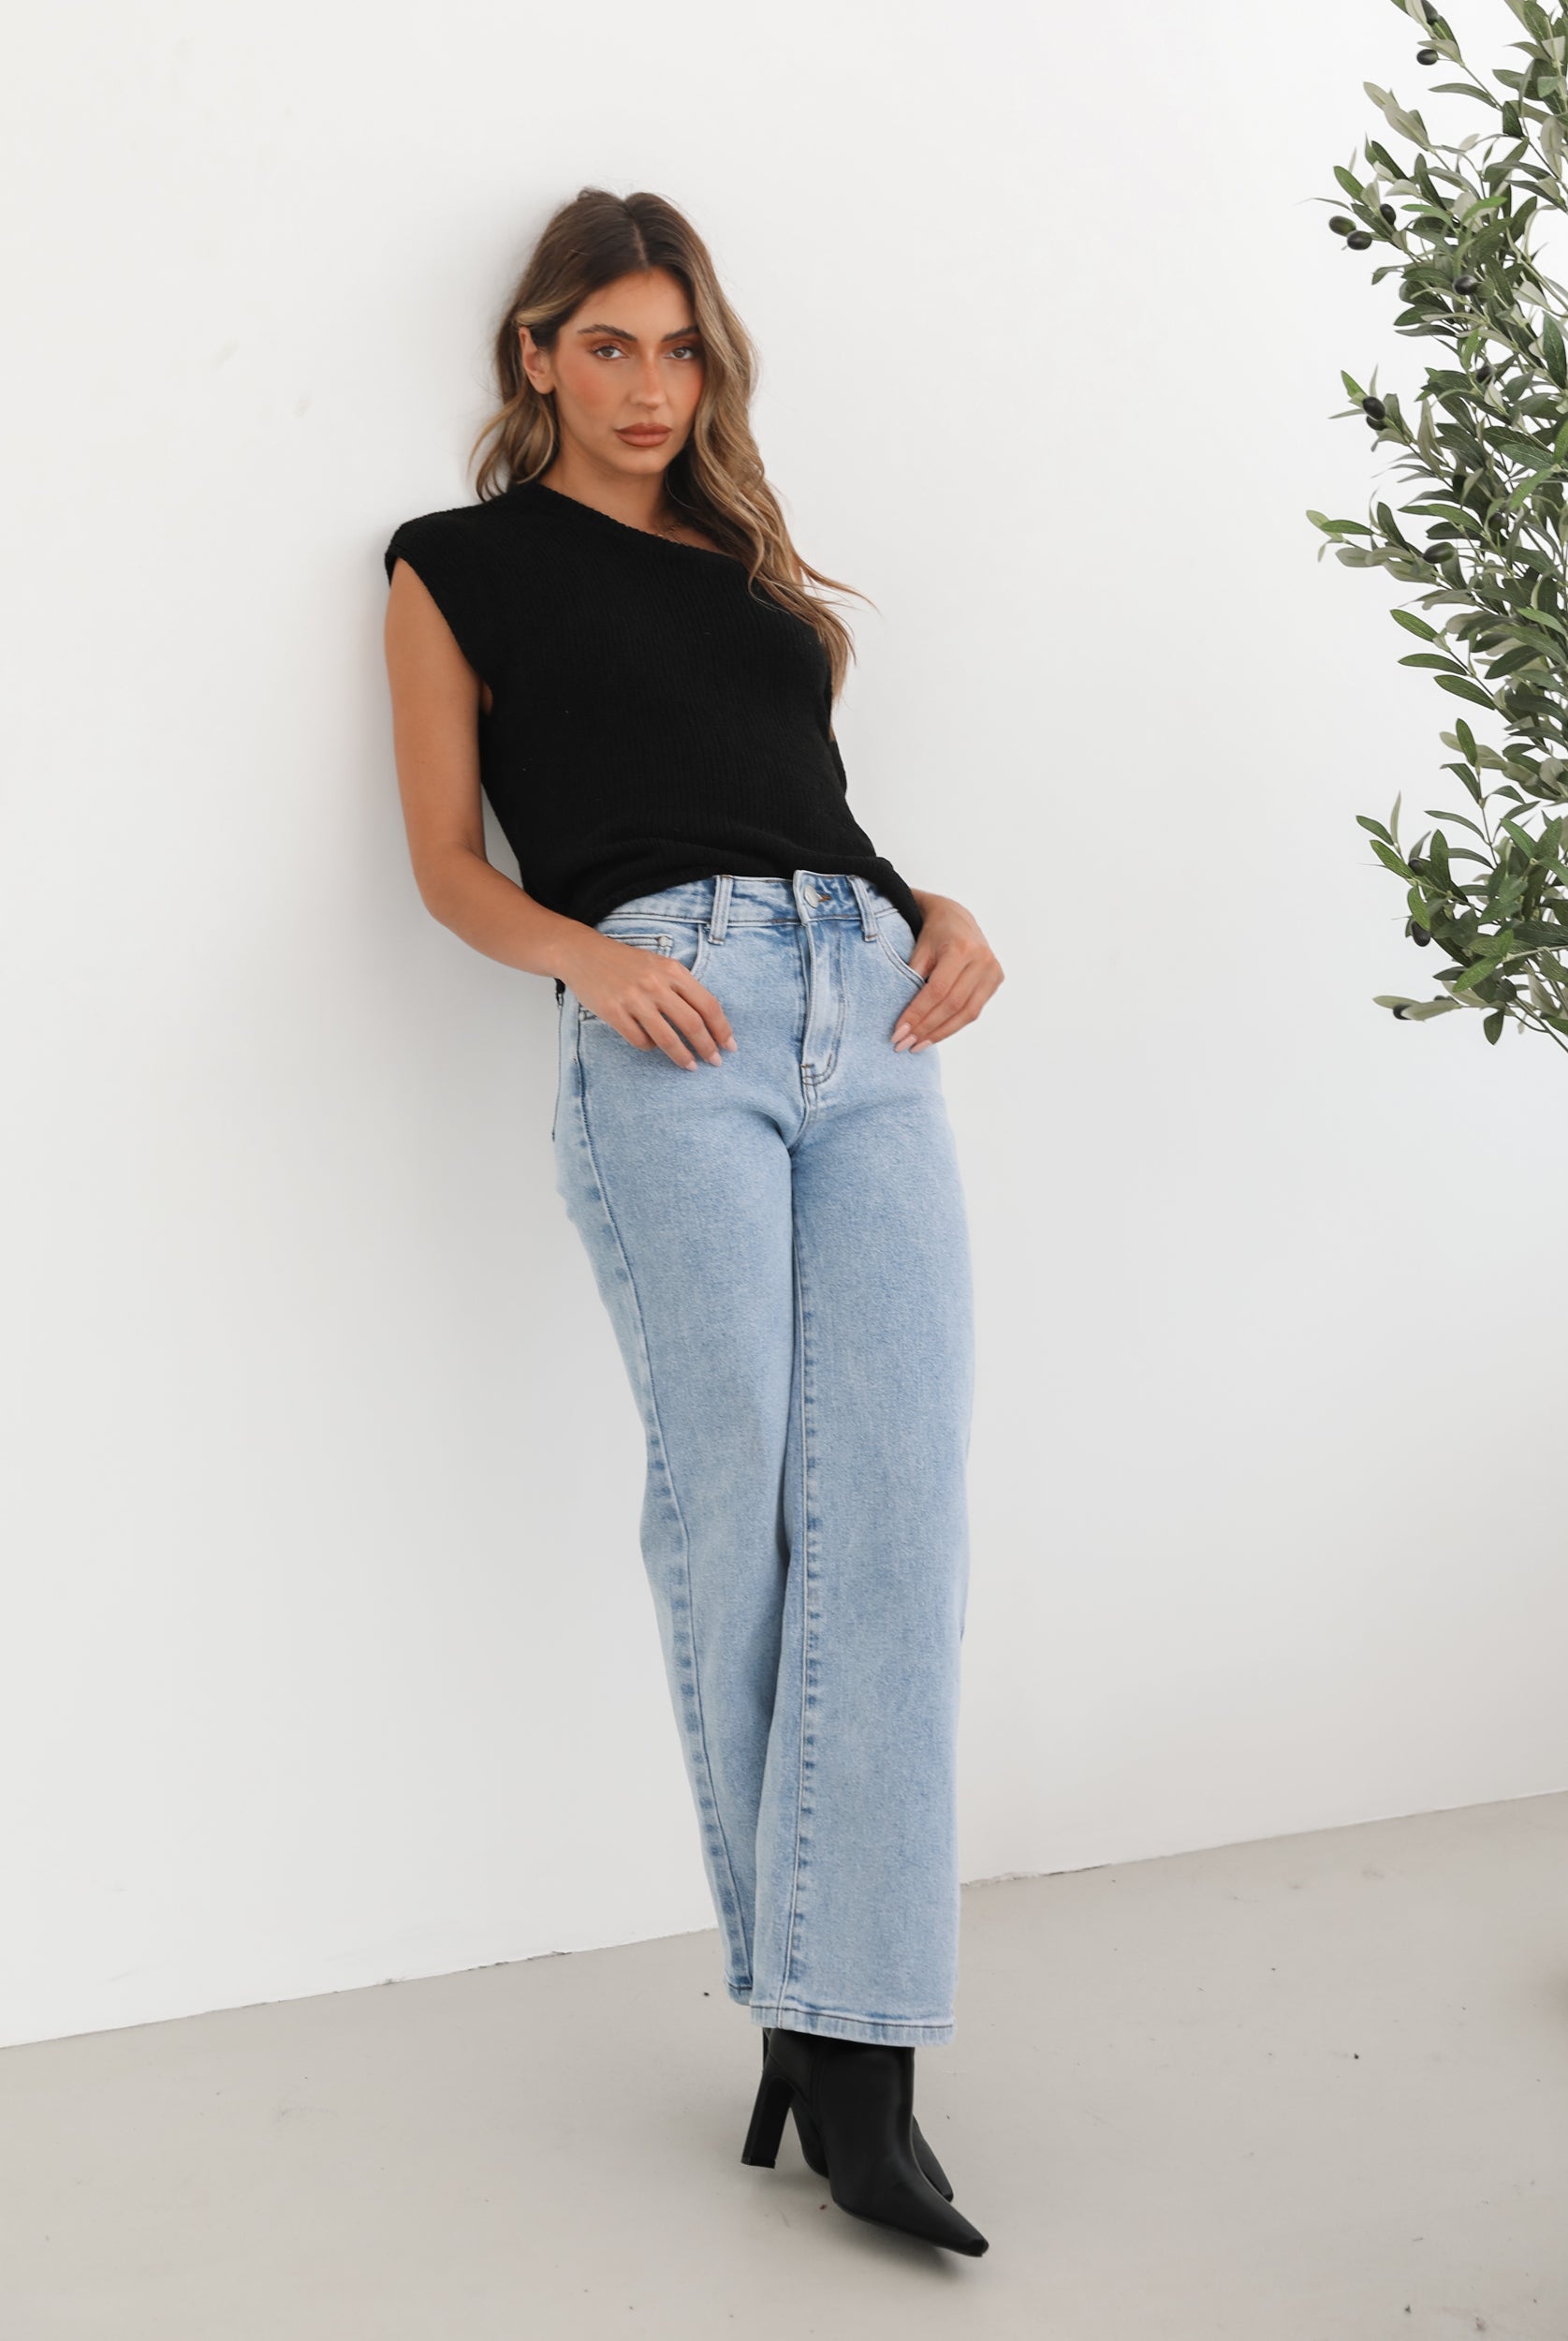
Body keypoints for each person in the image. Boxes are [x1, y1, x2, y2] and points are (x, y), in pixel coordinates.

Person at [381, 186, 1004, 2259]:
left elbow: (798, 806)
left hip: (868, 1000)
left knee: (894, 1512)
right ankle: (844, 2050)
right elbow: (447, 864)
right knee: (731, 1498)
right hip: (673, 1021)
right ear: (536, 356)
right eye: (613, 346)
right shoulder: (452, 565)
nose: (654, 386)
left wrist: (936, 906)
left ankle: (840, 2028)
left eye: (682, 349)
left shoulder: (750, 577)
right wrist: (581, 953)